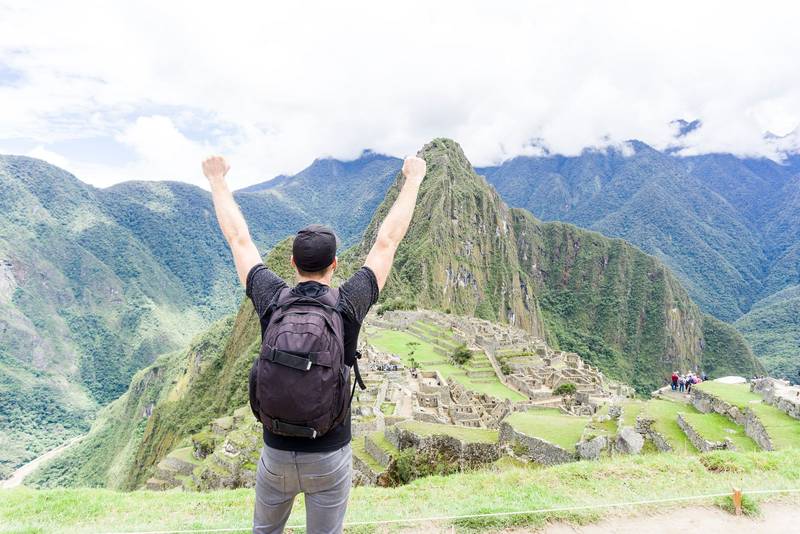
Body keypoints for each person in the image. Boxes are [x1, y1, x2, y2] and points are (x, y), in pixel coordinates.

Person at [202, 153, 427, 534]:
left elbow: (238, 239)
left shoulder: (271, 298)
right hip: (329, 453)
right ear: (335, 264)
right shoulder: (348, 303)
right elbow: (387, 242)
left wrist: (217, 181)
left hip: (276, 451)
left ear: (292, 263)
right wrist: (414, 180)